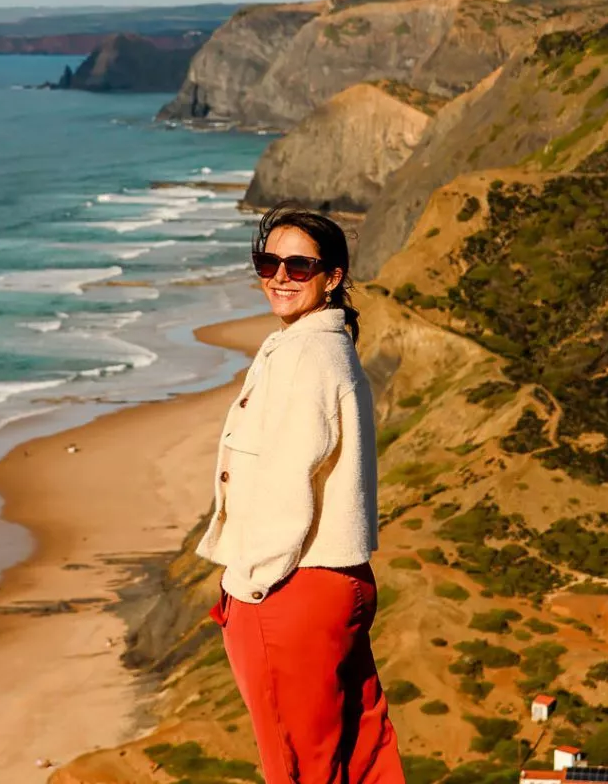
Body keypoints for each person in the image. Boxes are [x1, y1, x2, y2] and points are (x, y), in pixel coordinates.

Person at [196, 201, 404, 784]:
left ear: (332, 276)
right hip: (341, 579)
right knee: (361, 757)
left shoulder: (305, 354)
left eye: (299, 266)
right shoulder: (327, 345)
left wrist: (249, 584)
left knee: (297, 767)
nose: (280, 277)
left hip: (293, 587)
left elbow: (290, 480)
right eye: (268, 263)